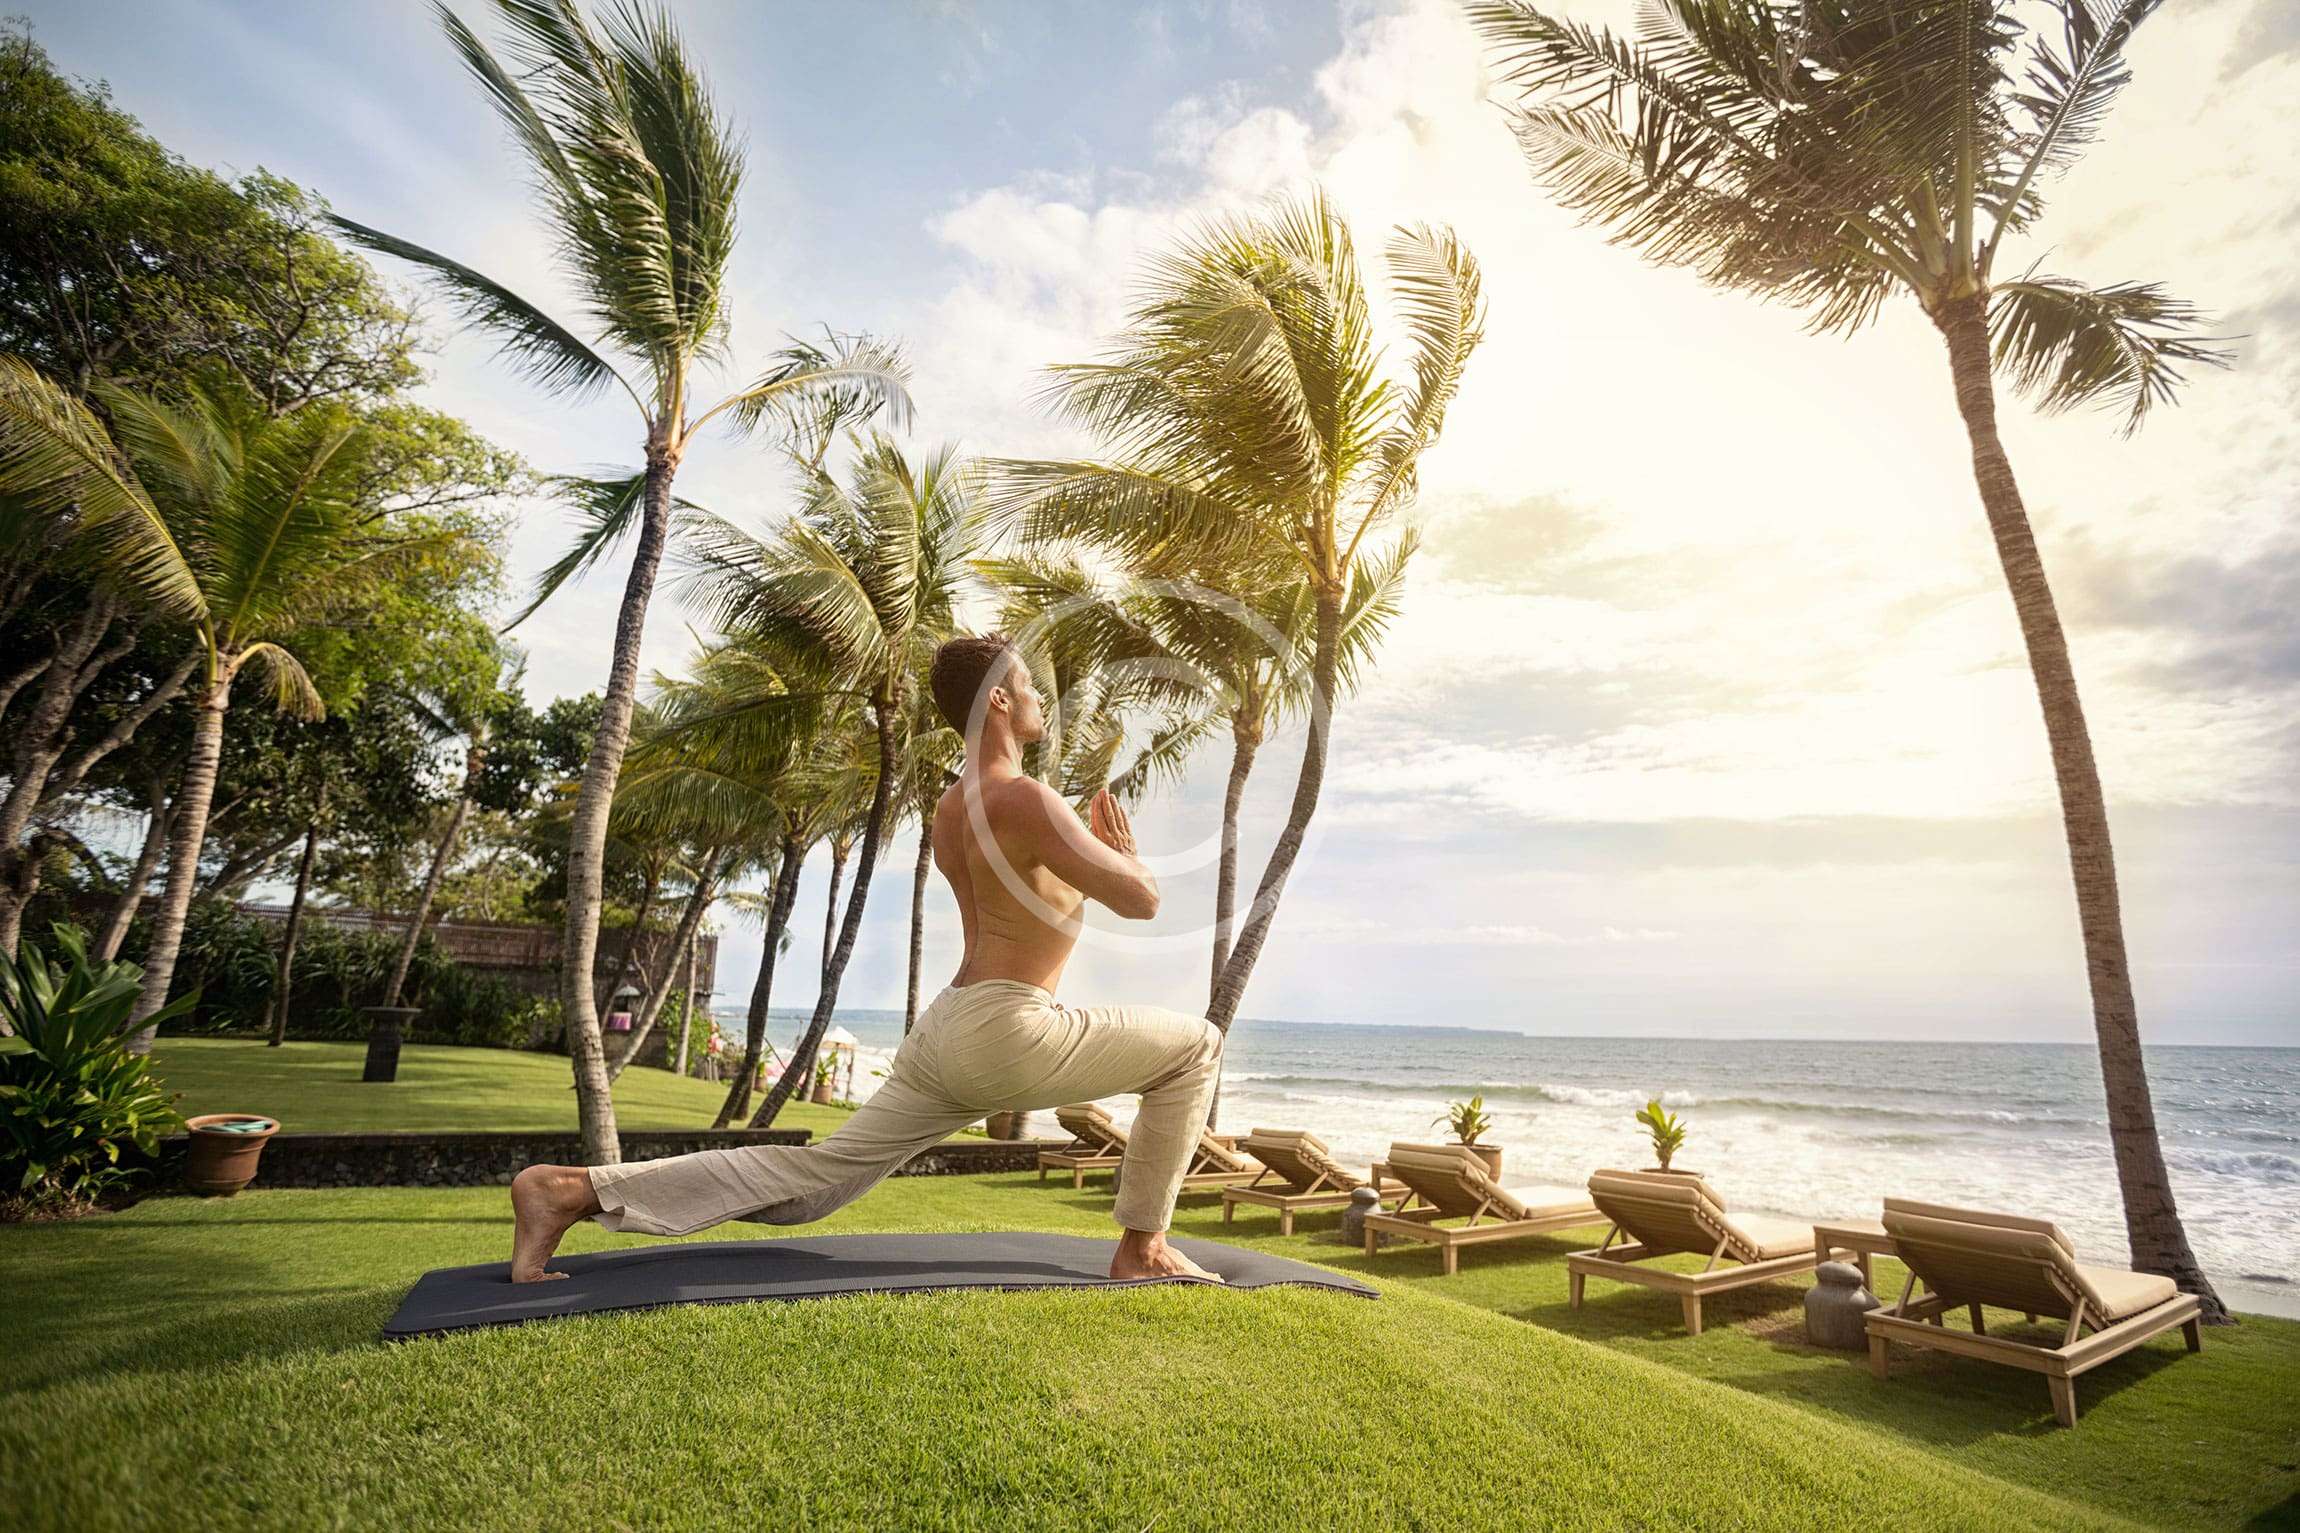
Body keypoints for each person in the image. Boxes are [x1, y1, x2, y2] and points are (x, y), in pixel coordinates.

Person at [508, 634, 1226, 1284]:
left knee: (814, 1184)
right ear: (1000, 700)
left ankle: (570, 1190)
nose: (1042, 696)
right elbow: (1141, 900)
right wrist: (1128, 859)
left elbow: (1031, 899)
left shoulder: (953, 808)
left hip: (947, 1029)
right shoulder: (1028, 799)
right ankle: (1144, 1248)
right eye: (1030, 684)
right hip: (1007, 1028)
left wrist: (1092, 867)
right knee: (1196, 1047)